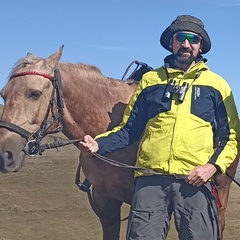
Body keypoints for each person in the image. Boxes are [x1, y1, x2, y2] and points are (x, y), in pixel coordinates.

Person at [80, 15, 240, 240]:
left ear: (200, 46)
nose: (186, 44)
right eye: (180, 37)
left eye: (192, 39)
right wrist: (99, 144)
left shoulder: (217, 85)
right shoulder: (150, 81)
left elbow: (231, 136)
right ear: (171, 42)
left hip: (195, 180)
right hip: (151, 181)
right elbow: (129, 130)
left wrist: (212, 167)